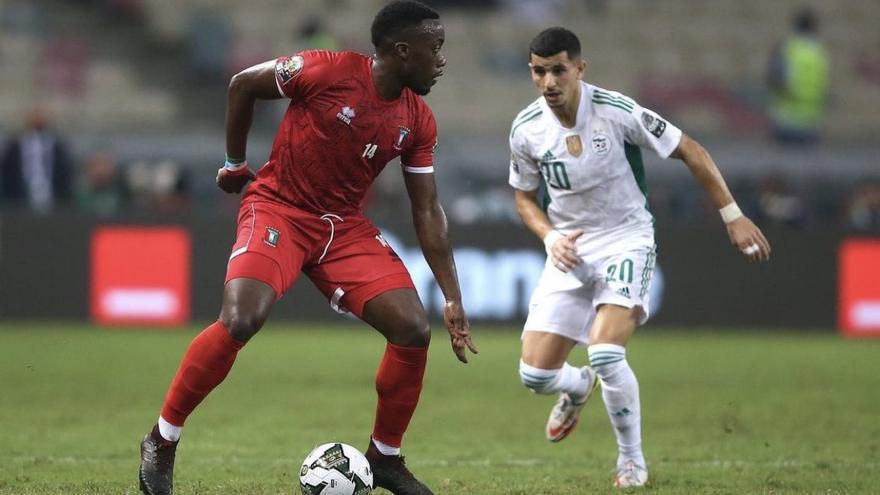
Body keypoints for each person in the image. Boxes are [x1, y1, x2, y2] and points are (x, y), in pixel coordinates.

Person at [138, 2, 477, 495]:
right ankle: (162, 439)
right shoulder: (327, 70)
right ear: (403, 51)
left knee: (411, 328)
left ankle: (384, 458)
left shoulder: (418, 120)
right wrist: (235, 164)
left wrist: (451, 295)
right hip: (279, 207)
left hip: (343, 227)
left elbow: (427, 210)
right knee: (241, 319)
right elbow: (242, 85)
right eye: (436, 48)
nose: (441, 60)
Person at [508, 27, 771, 488]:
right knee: (533, 375)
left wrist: (733, 216)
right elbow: (525, 198)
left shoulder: (616, 111)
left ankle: (631, 460)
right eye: (538, 71)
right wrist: (549, 237)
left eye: (558, 70)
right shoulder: (526, 128)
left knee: (607, 353)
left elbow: (690, 150)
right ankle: (576, 387)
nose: (549, 82)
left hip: (626, 237)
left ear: (579, 69)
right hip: (568, 248)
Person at [765, 7, 829, 145]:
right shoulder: (819, 52)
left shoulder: (787, 48)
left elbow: (774, 79)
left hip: (785, 120)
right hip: (810, 121)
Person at [1, 107, 73, 213]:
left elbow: (64, 171)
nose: (37, 120)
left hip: (51, 193)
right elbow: (7, 171)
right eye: (34, 116)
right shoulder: (15, 145)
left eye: (40, 116)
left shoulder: (57, 145)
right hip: (21, 194)